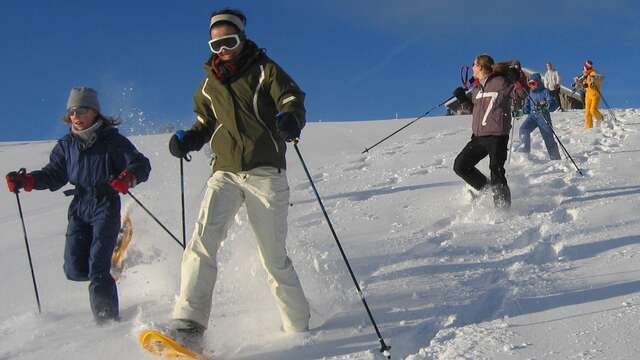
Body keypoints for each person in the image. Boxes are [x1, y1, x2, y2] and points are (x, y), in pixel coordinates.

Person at [166, 8, 310, 350]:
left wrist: (290, 118)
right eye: (216, 44)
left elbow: (292, 98)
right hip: (225, 171)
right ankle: (188, 327)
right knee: (201, 244)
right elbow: (205, 123)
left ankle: (298, 327)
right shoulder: (207, 85)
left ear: (241, 38)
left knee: (272, 257)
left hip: (265, 173)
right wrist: (190, 138)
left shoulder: (265, 69)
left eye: (228, 41)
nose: (223, 50)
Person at [4, 87, 151, 323]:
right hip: (80, 205)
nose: (76, 116)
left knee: (97, 271)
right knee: (74, 269)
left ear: (94, 112)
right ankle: (112, 258)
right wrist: (28, 180)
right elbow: (53, 175)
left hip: (105, 202)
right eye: (72, 111)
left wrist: (128, 178)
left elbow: (141, 165)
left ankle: (107, 322)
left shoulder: (112, 141)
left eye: (81, 110)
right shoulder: (66, 145)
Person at [452, 54, 514, 209]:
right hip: (479, 137)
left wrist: (515, 78)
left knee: (496, 171)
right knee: (460, 166)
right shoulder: (476, 88)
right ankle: (487, 190)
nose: (472, 68)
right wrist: (462, 99)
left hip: (497, 135)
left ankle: (503, 209)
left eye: (474, 64)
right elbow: (474, 110)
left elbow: (518, 94)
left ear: (480, 66)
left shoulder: (501, 82)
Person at [518, 73, 561, 160]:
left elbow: (553, 104)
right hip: (532, 117)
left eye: (533, 83)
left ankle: (555, 158)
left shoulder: (545, 91)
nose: (531, 86)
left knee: (548, 139)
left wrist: (546, 105)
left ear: (538, 82)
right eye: (529, 84)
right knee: (523, 129)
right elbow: (526, 108)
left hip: (543, 117)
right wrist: (519, 112)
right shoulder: (530, 94)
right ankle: (524, 148)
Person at [575, 60, 604, 128]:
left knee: (592, 110)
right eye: (584, 70)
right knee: (587, 113)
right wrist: (578, 84)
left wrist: (593, 82)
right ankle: (589, 127)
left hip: (595, 94)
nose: (584, 72)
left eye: (586, 70)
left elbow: (600, 78)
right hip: (588, 96)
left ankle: (600, 118)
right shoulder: (585, 76)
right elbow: (581, 84)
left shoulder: (593, 73)